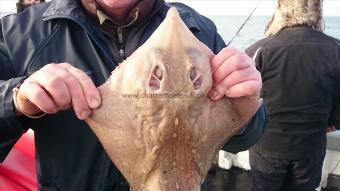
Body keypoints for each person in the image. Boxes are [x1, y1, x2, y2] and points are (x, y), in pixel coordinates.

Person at [0, 0, 267, 190]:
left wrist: (244, 101)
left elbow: (244, 137)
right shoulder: (21, 35)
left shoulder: (200, 30)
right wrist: (16, 100)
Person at [246, 0, 340, 190]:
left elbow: (242, 100)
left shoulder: (259, 50)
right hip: (311, 146)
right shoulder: (336, 48)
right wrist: (334, 121)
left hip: (267, 146)